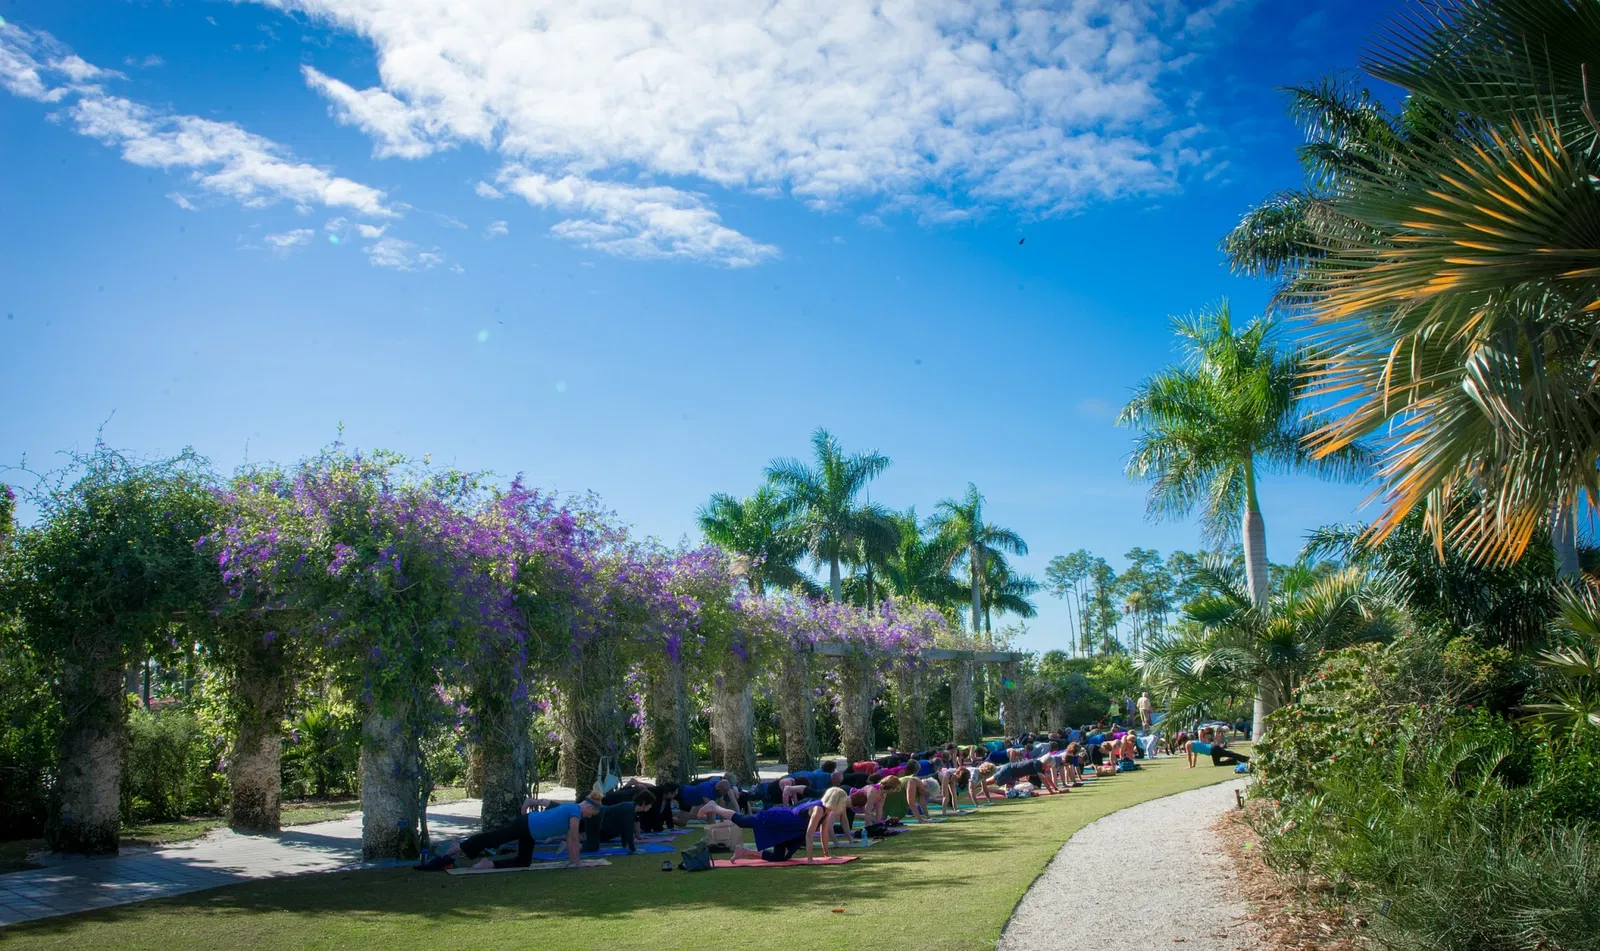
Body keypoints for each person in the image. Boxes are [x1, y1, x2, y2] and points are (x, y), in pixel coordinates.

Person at [697, 787, 852, 863]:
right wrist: (810, 859)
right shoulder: (818, 809)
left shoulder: (826, 811)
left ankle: (743, 851)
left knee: (780, 857)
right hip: (778, 821)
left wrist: (826, 854)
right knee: (743, 821)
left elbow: (823, 832)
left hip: (790, 830)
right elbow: (810, 834)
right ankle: (714, 807)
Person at [441, 795, 600, 869]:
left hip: (531, 831)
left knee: (524, 862)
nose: (590, 817)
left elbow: (569, 839)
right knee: (495, 838)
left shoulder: (571, 809)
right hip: (526, 824)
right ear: (589, 808)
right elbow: (573, 839)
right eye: (592, 814)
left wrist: (575, 860)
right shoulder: (576, 812)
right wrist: (579, 862)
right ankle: (460, 846)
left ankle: (488, 863)